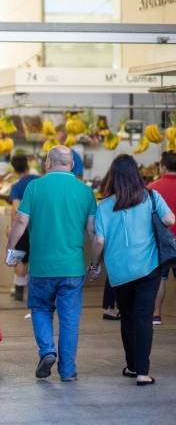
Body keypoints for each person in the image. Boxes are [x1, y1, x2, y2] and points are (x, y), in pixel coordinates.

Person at [6, 146, 96, 382]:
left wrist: (11, 250)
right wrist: (95, 262)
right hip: (73, 267)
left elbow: (20, 222)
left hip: (41, 266)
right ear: (72, 165)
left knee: (40, 309)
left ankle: (47, 351)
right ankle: (67, 370)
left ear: (48, 163)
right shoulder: (85, 192)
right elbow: (93, 231)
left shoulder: (35, 187)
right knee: (69, 319)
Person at [91, 154, 175, 386]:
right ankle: (142, 373)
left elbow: (98, 241)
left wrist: (94, 264)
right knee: (143, 318)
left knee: (127, 317)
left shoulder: (105, 205)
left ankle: (132, 365)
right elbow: (169, 220)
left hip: (119, 272)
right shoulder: (150, 196)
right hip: (148, 267)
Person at [148, 151, 176, 325]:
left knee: (161, 278)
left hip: (162, 241)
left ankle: (156, 314)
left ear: (163, 166)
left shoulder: (152, 188)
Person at [7, 154, 38, 302]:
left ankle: (19, 291)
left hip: (24, 228)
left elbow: (16, 210)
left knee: (21, 259)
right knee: (36, 259)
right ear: (27, 164)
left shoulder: (17, 186)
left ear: (14, 169)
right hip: (40, 227)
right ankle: (36, 291)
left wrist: (12, 228)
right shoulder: (39, 181)